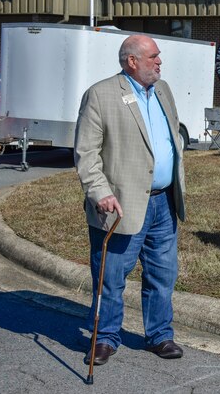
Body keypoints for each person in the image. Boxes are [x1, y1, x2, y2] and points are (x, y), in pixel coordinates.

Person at [75, 34, 187, 366]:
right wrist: (101, 192)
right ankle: (105, 337)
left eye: (159, 56)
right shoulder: (101, 95)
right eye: (153, 56)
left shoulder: (163, 90)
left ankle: (159, 335)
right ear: (132, 61)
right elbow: (86, 154)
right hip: (121, 205)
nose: (159, 61)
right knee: (110, 277)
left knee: (162, 274)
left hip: (163, 202)